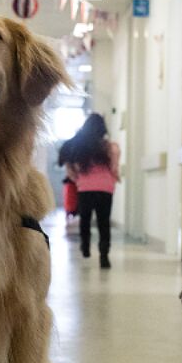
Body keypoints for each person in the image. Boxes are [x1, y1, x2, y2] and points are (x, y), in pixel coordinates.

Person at [60, 113, 121, 269]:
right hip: (105, 189)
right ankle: (104, 256)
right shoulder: (111, 147)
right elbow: (114, 168)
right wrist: (114, 178)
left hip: (85, 188)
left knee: (85, 220)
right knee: (103, 222)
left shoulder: (80, 148)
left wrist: (78, 180)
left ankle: (85, 247)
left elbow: (71, 168)